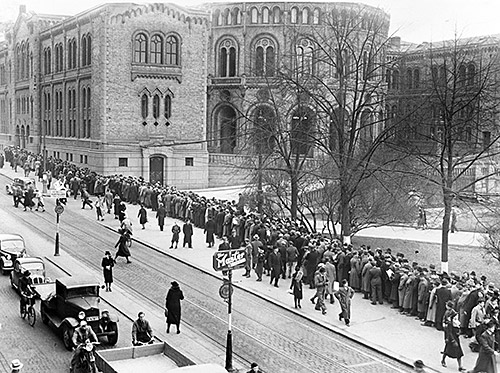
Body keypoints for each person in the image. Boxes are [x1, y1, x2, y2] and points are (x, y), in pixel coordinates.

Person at [441, 301, 465, 371]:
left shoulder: (452, 313)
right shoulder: (448, 315)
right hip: (450, 336)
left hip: (454, 334)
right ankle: (443, 360)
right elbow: (448, 329)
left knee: (458, 351)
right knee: (447, 349)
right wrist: (452, 339)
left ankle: (460, 366)